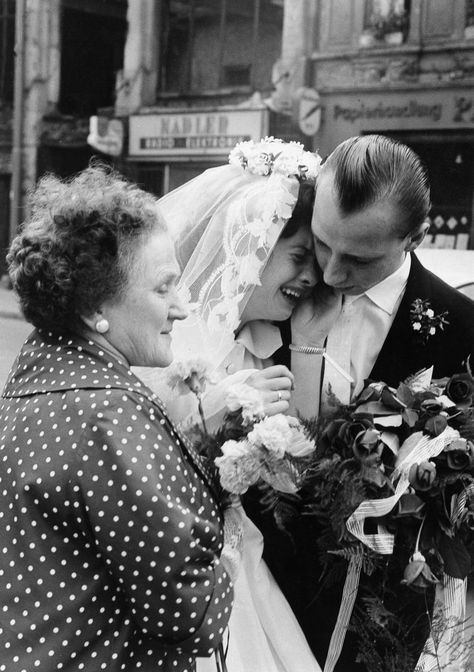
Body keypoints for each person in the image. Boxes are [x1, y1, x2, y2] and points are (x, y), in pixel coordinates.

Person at [250, 134, 474, 671]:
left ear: (414, 237)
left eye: (359, 258)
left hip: (384, 619)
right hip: (265, 595)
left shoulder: (462, 331)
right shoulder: (270, 293)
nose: (329, 274)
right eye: (324, 244)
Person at [0, 165, 233, 672]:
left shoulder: (31, 389)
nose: (182, 307)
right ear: (96, 307)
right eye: (163, 287)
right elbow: (185, 612)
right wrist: (227, 566)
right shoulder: (110, 413)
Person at [137, 137, 326, 672]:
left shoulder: (271, 342)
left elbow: (295, 478)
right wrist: (215, 415)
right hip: (178, 563)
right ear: (255, 244)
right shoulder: (170, 335)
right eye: (299, 257)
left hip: (241, 553)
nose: (312, 277)